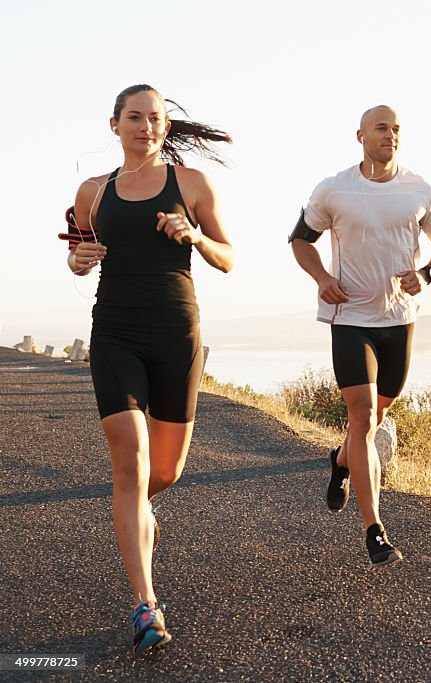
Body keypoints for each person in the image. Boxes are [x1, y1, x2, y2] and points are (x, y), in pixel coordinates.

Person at [65, 84, 233, 655]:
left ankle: (133, 513)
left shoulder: (191, 185)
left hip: (176, 333)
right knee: (130, 467)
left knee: (165, 471)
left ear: (165, 126)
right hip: (114, 332)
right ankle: (146, 605)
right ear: (114, 124)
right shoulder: (94, 191)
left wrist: (197, 236)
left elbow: (230, 256)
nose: (145, 126)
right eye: (134, 117)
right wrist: (78, 260)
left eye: (154, 118)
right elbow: (78, 254)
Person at [290, 105, 431, 567]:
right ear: (360, 135)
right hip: (350, 317)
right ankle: (374, 530)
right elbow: (300, 240)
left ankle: (341, 461)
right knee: (361, 416)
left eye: (397, 129)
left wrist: (427, 274)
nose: (391, 135)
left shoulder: (418, 189)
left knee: (376, 417)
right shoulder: (334, 189)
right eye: (382, 128)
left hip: (398, 319)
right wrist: (322, 278)